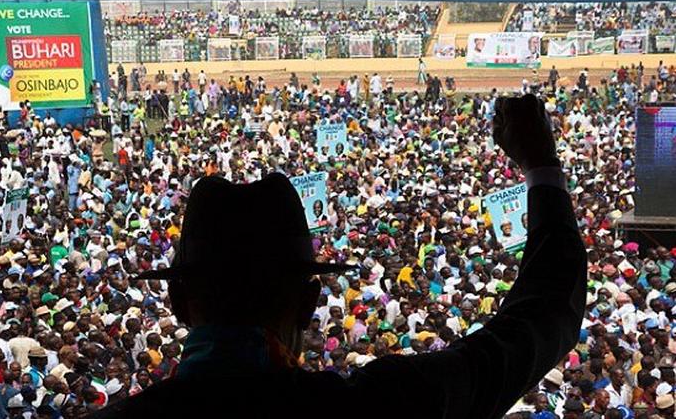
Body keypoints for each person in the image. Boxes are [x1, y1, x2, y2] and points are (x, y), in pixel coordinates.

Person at [97, 94, 587, 417]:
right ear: (311, 304)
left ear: (178, 302)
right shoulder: (380, 407)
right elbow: (544, 315)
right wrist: (539, 164)